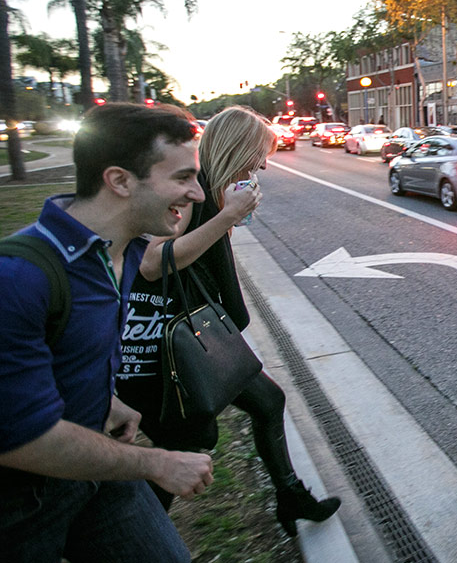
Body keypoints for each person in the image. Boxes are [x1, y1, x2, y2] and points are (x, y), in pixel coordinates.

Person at [0, 103, 214, 562]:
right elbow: (19, 439)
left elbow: (70, 351)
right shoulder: (19, 279)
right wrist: (158, 461)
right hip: (20, 505)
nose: (197, 193)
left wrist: (104, 399)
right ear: (119, 181)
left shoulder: (129, 249)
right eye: (182, 178)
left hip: (98, 470)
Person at [116, 105, 340, 537]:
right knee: (185, 443)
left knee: (267, 403)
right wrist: (228, 217)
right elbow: (150, 262)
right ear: (238, 148)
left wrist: (230, 213)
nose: (264, 164)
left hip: (200, 330)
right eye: (260, 153)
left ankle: (290, 497)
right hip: (173, 338)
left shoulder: (217, 189)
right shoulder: (193, 190)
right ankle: (132, 535)